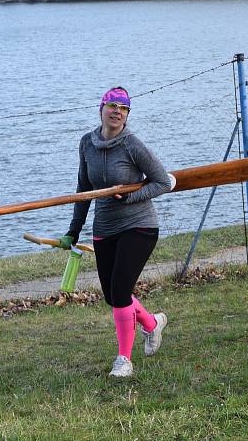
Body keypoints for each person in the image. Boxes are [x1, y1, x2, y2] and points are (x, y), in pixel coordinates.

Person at [60, 86, 175, 378]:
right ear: (101, 109)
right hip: (105, 227)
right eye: (112, 105)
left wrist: (130, 197)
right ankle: (151, 324)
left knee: (121, 292)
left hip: (140, 225)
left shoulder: (132, 145)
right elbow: (83, 190)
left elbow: (163, 182)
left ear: (127, 115)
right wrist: (74, 230)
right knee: (113, 296)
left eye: (123, 109)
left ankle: (124, 360)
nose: (117, 112)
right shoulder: (87, 143)